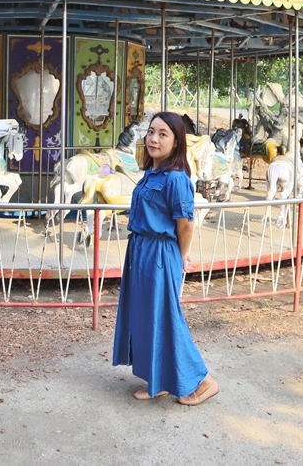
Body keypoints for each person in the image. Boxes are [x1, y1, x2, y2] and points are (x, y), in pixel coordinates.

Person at [112, 111, 220, 406]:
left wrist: (181, 257)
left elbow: (185, 224)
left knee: (167, 318)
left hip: (161, 253)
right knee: (146, 316)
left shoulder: (176, 179)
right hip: (141, 250)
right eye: (151, 132)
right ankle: (157, 380)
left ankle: (203, 381)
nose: (153, 139)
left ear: (176, 142)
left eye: (163, 134)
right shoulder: (151, 173)